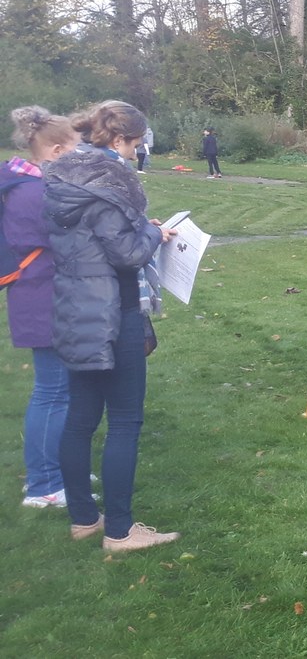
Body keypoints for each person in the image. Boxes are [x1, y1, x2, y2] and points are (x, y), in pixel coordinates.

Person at [45, 100, 178, 551]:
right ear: (119, 139)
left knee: (80, 418)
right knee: (124, 421)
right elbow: (126, 254)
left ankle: (83, 518)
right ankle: (120, 531)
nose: (136, 152)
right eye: (135, 144)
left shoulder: (65, 177)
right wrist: (152, 234)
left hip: (74, 310)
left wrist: (140, 227)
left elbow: (98, 238)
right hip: (113, 313)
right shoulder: (108, 182)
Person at [4, 107, 79, 510]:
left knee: (60, 390)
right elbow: (70, 236)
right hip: (43, 298)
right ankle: (44, 484)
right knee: (53, 392)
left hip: (42, 295)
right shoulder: (35, 193)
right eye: (74, 149)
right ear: (55, 151)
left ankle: (57, 470)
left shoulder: (26, 183)